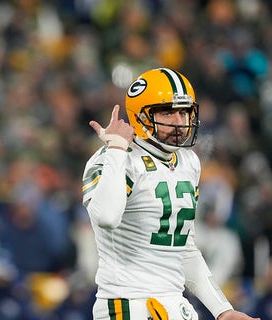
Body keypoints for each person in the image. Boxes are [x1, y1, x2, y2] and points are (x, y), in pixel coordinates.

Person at [82, 67, 259, 320]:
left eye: (184, 112)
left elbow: (184, 250)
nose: (178, 121)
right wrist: (117, 150)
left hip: (175, 304)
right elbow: (106, 217)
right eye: (167, 111)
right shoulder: (114, 159)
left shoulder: (188, 162)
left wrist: (223, 310)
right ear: (140, 116)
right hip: (129, 305)